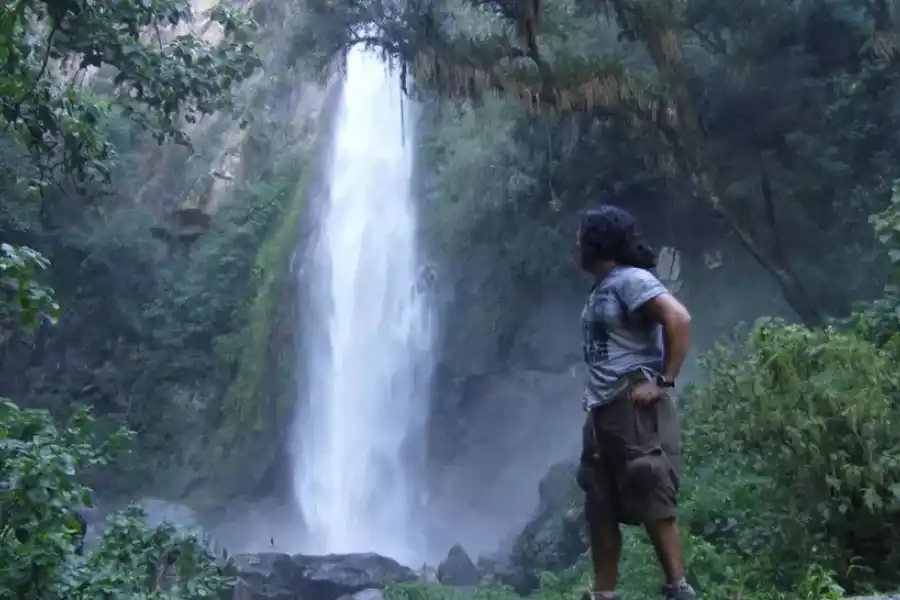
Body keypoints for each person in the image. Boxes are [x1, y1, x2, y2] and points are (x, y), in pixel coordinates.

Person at [574, 204, 695, 600]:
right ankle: (603, 594)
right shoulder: (602, 288)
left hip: (633, 404)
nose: (576, 244)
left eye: (581, 236)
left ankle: (678, 588)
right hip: (602, 408)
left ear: (597, 241)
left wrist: (663, 381)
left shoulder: (631, 281)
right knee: (599, 503)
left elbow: (678, 318)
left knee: (650, 485)